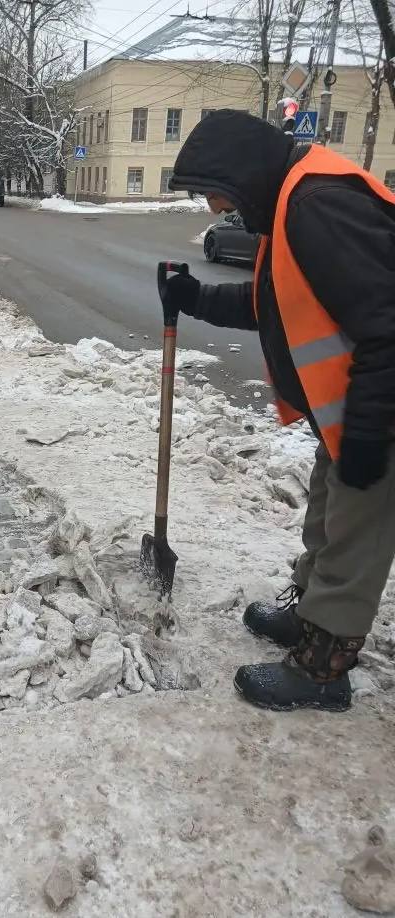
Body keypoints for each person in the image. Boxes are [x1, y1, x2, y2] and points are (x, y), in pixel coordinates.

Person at [165, 109, 395, 712]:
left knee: (353, 534)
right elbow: (275, 302)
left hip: (382, 403)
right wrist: (195, 298)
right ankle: (309, 615)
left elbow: (388, 322)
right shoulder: (288, 204)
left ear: (239, 174)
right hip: (354, 406)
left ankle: (324, 668)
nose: (215, 209)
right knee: (326, 514)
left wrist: (370, 430)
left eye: (213, 192)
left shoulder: (318, 205)